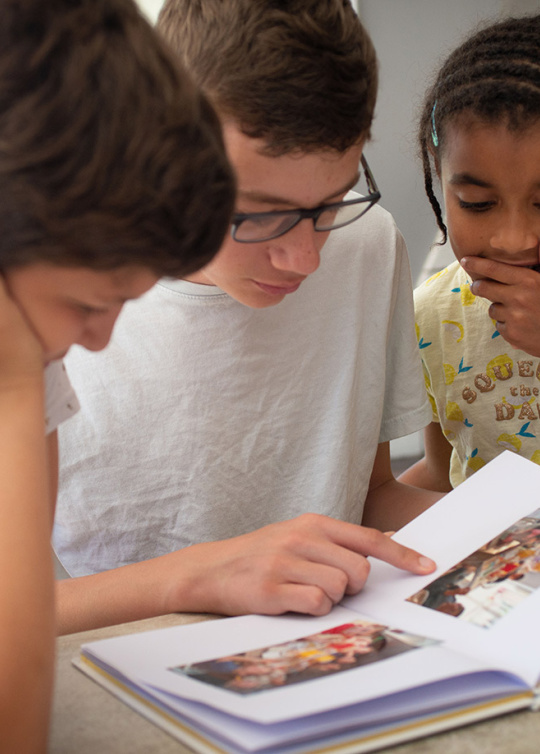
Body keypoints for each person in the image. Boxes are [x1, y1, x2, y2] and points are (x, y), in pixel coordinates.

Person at [53, 0, 440, 636]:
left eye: (331, 201)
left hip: (328, 650)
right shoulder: (51, 296)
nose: (306, 258)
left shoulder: (368, 244)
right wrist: (205, 573)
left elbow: (370, 493)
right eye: (261, 212)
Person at [0, 0, 234, 748]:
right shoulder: (21, 362)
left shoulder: (37, 357)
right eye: (86, 304)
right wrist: (9, 383)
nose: (98, 343)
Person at [399, 13, 540, 493]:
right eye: (478, 205)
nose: (515, 238)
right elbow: (444, 475)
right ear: (438, 178)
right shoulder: (431, 318)